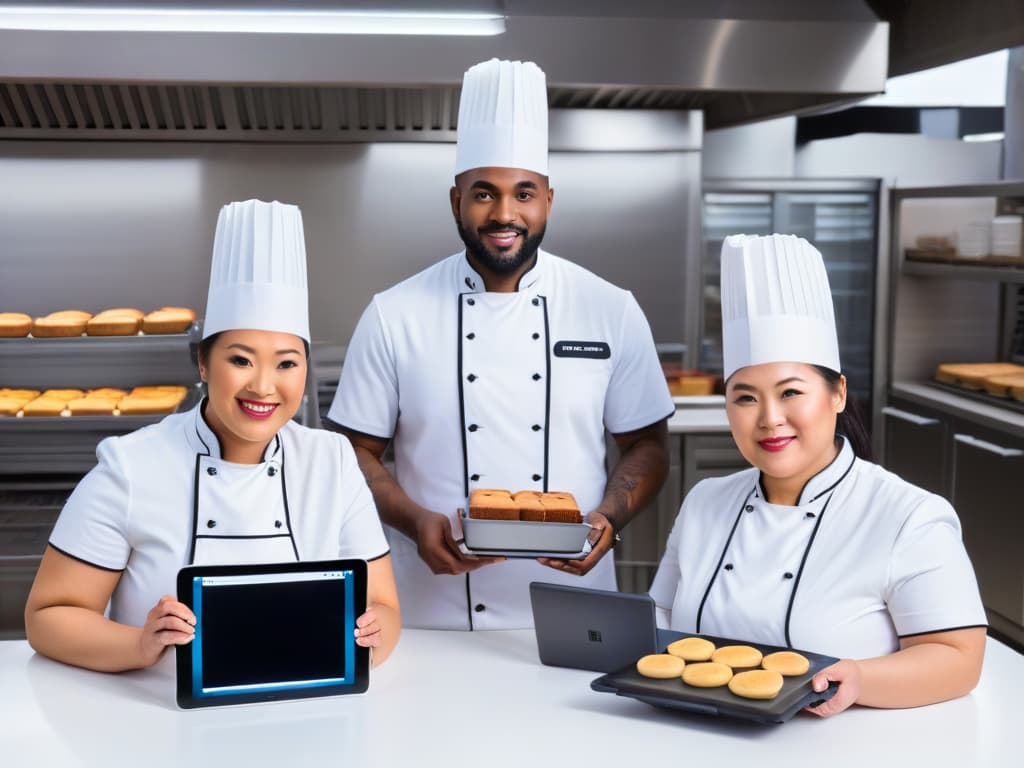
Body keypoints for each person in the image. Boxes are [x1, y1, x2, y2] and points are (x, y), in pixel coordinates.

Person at [326, 58, 674, 629]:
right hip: (429, 606)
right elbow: (353, 453)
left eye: (524, 193)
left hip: (575, 603)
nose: (504, 214)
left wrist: (610, 519)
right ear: (456, 200)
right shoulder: (395, 313)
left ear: (549, 201)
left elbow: (648, 445)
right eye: (483, 194)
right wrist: (416, 523)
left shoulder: (610, 307)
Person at [25, 200, 400, 671]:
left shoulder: (332, 461)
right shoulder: (133, 466)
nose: (264, 386)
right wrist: (139, 644)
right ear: (203, 363)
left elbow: (384, 607)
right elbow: (49, 617)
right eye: (240, 360)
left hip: (310, 713)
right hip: (162, 720)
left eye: (286, 363)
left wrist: (371, 636)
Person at [649, 233, 986, 717]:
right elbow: (660, 616)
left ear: (838, 394)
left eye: (790, 393)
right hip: (690, 736)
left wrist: (862, 679)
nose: (768, 418)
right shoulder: (705, 499)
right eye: (745, 397)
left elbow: (959, 660)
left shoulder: (909, 516)